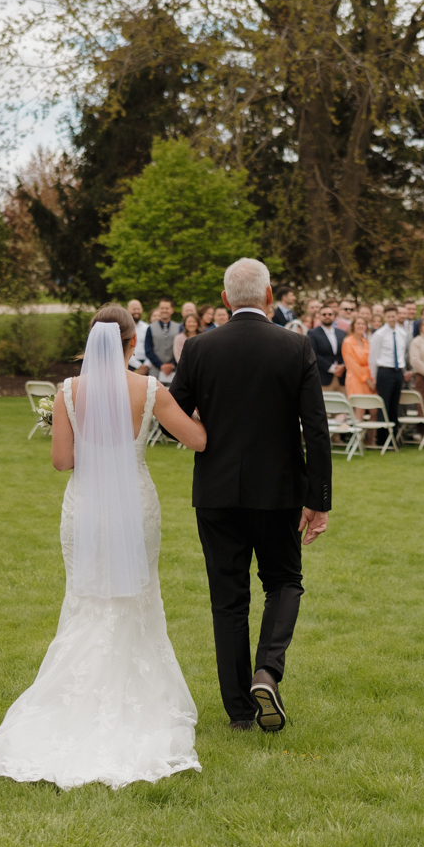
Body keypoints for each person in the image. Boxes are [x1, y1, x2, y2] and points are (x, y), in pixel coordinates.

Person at [0, 304, 210, 789]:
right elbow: (198, 441)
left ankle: (70, 698)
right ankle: (138, 697)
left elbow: (62, 461)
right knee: (137, 594)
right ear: (130, 343)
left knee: (86, 597)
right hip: (135, 506)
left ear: (91, 341)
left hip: (85, 507)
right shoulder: (149, 389)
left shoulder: (68, 391)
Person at [168, 259, 331, 732]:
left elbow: (172, 413)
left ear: (224, 300)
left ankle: (240, 712)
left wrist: (205, 436)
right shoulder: (295, 346)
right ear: (269, 296)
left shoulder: (198, 347)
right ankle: (268, 671)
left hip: (216, 490)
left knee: (228, 599)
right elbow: (316, 429)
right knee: (284, 582)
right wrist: (318, 499)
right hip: (279, 491)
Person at [368, 305, 410, 441]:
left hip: (398, 372)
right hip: (384, 372)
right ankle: (382, 439)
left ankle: (394, 438)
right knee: (384, 406)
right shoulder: (379, 334)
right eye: (389, 317)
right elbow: (373, 358)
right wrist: (374, 378)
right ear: (385, 317)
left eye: (393, 316)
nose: (392, 319)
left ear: (397, 316)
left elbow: (402, 354)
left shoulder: (402, 333)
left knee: (394, 406)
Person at [308, 304, 346, 390]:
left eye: (330, 314)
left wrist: (343, 366)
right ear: (319, 316)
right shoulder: (312, 333)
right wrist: (331, 368)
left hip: (341, 377)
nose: (327, 316)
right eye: (324, 314)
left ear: (334, 316)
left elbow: (346, 352)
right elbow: (313, 354)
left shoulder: (341, 333)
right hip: (324, 377)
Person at [145, 299, 181, 384]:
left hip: (174, 370)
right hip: (155, 370)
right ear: (159, 309)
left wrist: (172, 365)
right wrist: (161, 365)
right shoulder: (150, 328)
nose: (164, 310)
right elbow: (148, 349)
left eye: (167, 308)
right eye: (162, 308)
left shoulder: (179, 327)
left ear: (172, 310)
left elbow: (181, 349)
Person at [341, 315, 374, 399]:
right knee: (359, 403)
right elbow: (352, 364)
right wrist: (367, 380)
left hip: (369, 376)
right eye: (358, 323)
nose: (361, 326)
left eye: (363, 324)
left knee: (372, 403)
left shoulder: (365, 341)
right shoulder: (348, 342)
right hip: (356, 378)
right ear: (353, 326)